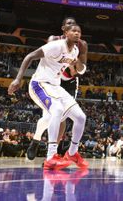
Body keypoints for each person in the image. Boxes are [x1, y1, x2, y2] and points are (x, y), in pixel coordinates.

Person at [9, 23, 88, 170]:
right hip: (39, 84)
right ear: (65, 31)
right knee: (57, 110)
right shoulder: (56, 46)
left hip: (55, 87)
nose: (77, 33)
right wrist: (18, 79)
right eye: (74, 31)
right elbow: (30, 56)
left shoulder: (75, 51)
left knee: (80, 117)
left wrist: (78, 65)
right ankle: (51, 156)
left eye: (79, 31)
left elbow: (79, 69)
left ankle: (72, 153)